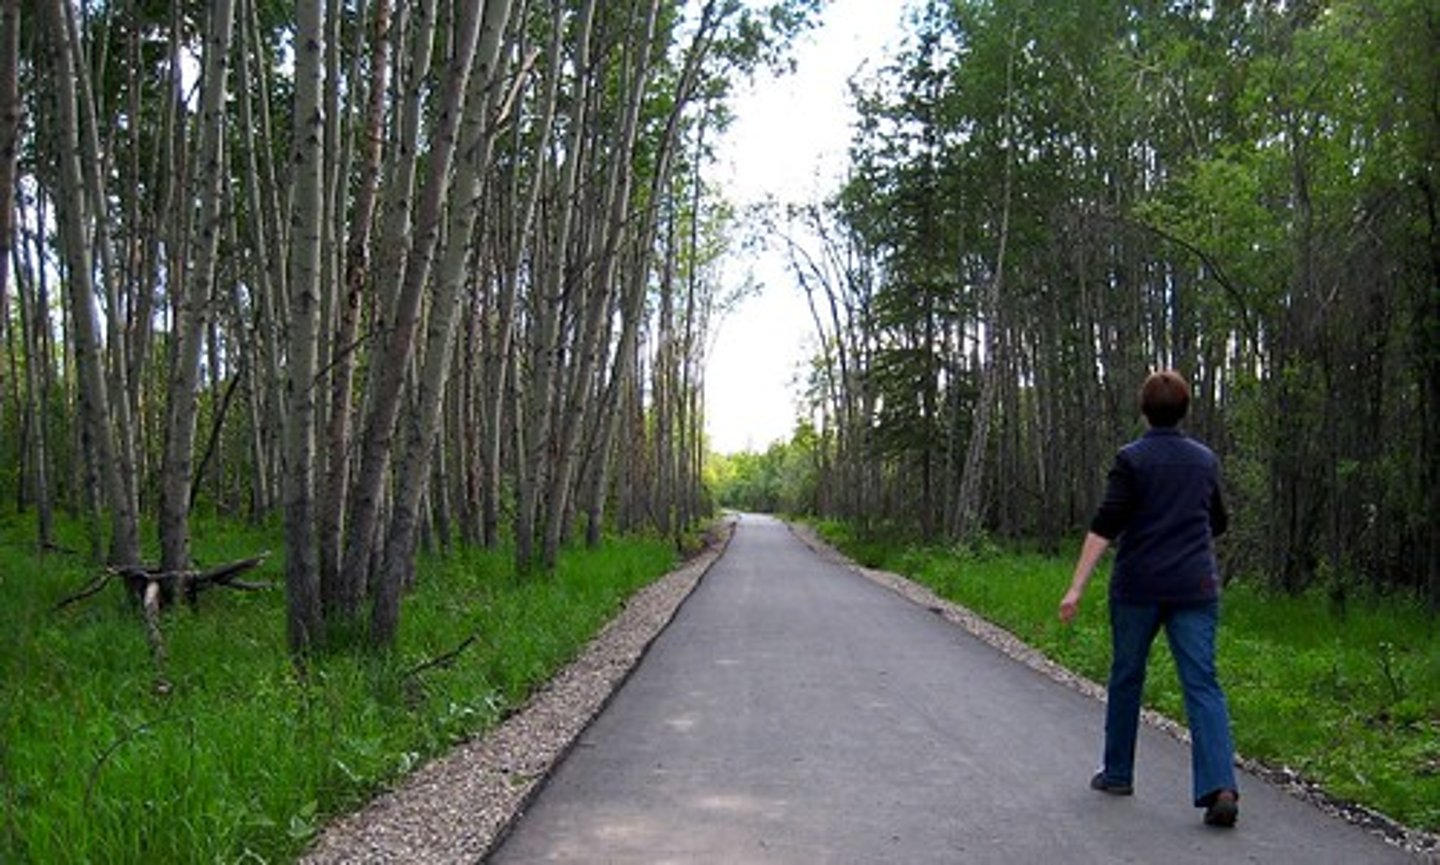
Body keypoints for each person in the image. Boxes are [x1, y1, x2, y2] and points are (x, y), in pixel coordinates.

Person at [1057, 369, 1240, 828]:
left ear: (1144, 410)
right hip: (1194, 587)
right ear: (1185, 409)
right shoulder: (1204, 460)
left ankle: (1118, 773)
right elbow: (1217, 521)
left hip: (1138, 586)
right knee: (1202, 683)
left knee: (1127, 675)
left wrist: (1076, 586)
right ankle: (1220, 786)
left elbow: (1105, 524)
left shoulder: (1132, 459)